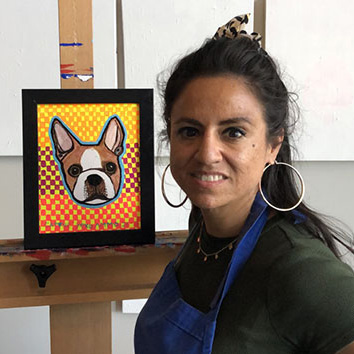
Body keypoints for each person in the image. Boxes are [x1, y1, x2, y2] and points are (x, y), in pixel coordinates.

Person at [134, 14, 354, 354]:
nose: (207, 154)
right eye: (189, 131)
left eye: (233, 132)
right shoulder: (205, 228)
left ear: (273, 145)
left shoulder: (300, 270)